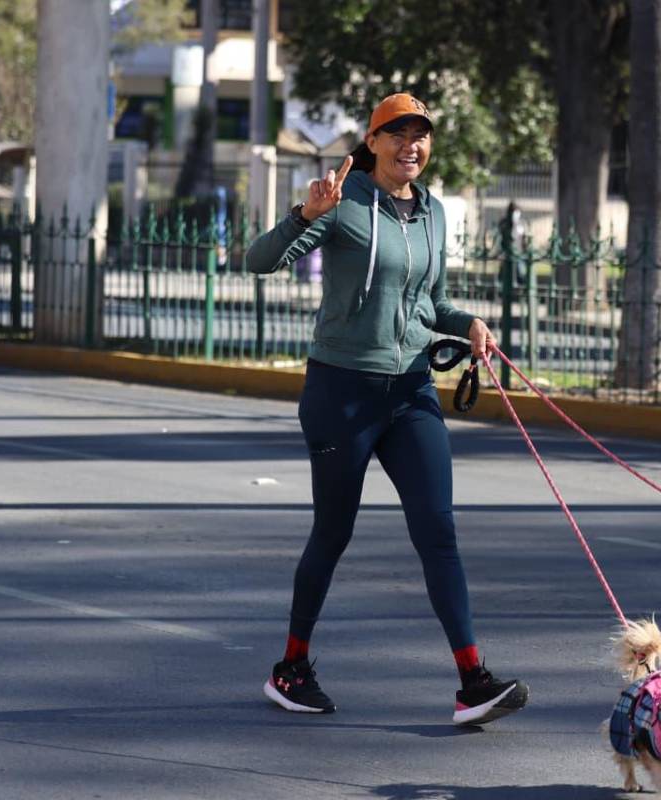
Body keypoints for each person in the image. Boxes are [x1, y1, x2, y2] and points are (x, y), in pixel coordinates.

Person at [245, 93, 528, 725]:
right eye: (397, 133)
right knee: (333, 532)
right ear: (372, 142)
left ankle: (472, 681)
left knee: (439, 532)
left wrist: (469, 323)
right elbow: (258, 261)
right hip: (340, 392)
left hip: (411, 391)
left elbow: (432, 302)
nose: (411, 145)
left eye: (421, 135)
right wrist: (303, 215)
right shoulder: (342, 202)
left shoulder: (432, 214)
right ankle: (291, 668)